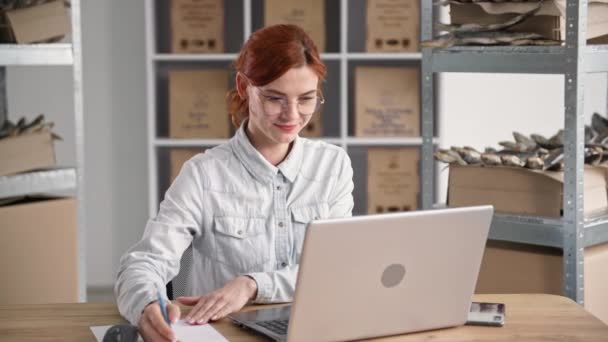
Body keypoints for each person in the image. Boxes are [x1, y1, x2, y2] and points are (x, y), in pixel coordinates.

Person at [114, 24, 354, 341]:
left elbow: (334, 270)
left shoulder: (333, 166)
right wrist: (146, 305)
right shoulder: (203, 175)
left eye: (306, 99)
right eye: (274, 98)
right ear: (244, 86)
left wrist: (251, 284)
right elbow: (143, 263)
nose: (292, 115)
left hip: (315, 330)